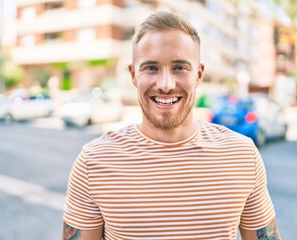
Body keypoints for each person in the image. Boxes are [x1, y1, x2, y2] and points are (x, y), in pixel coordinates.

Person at [62, 11, 282, 240]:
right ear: (133, 75)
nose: (165, 85)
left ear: (198, 74)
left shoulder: (242, 155)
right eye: (151, 68)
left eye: (179, 67)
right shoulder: (93, 161)